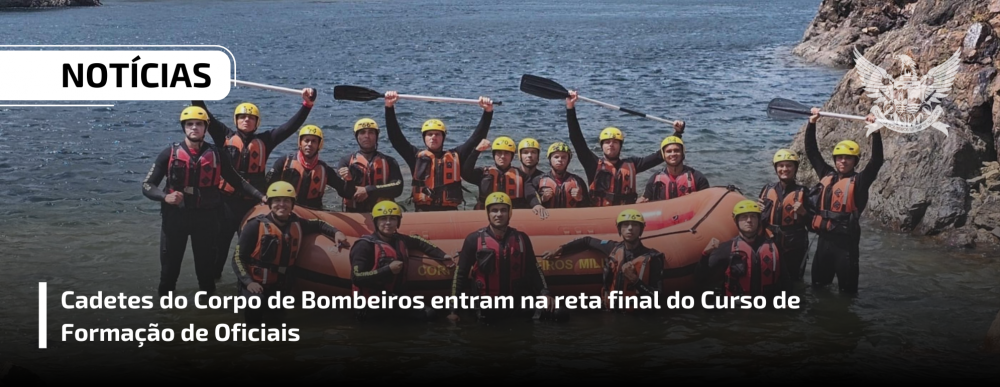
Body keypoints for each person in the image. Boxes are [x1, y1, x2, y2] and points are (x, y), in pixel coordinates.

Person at [193, 88, 316, 280]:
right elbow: (203, 112)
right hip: (225, 204)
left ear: (257, 122)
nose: (246, 120)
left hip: (253, 205)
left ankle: (250, 284)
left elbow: (289, 127)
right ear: (236, 120)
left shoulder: (266, 140)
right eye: (242, 117)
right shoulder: (223, 135)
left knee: (252, 250)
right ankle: (213, 286)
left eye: (251, 118)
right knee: (219, 249)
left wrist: (307, 105)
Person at [141, 106, 264, 297]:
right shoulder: (169, 153)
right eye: (189, 124)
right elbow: (147, 185)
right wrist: (165, 197)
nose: (194, 127)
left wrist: (262, 197)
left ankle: (208, 311)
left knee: (206, 276)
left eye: (199, 124)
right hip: (175, 218)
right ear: (184, 127)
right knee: (168, 274)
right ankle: (165, 312)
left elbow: (238, 181)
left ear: (205, 128)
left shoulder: (217, 154)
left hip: (206, 220)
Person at [232, 181, 348, 326]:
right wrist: (249, 282)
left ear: (292, 204)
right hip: (255, 284)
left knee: (278, 322)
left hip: (279, 286)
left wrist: (336, 232)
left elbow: (319, 224)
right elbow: (238, 258)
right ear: (270, 204)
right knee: (256, 306)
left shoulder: (297, 223)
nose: (282, 205)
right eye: (277, 201)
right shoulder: (254, 226)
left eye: (286, 201)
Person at [805, 108, 882, 294]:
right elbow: (812, 152)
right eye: (839, 158)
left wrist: (875, 132)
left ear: (855, 161)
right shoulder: (826, 174)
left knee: (847, 294)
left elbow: (877, 161)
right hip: (824, 241)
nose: (843, 161)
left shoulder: (860, 181)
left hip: (846, 245)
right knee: (818, 289)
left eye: (848, 158)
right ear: (835, 160)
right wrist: (811, 123)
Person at [565, 90, 685, 206]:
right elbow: (577, 140)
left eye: (615, 142)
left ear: (620, 146)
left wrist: (677, 133)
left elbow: (660, 156)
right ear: (602, 146)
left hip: (626, 215)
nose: (611, 144)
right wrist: (570, 108)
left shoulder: (633, 164)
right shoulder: (592, 164)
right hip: (600, 213)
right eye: (607, 142)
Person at [448, 193, 551, 323]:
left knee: (560, 314)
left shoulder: (522, 238)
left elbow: (534, 269)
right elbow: (460, 275)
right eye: (494, 210)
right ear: (488, 213)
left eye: (503, 210)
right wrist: (453, 311)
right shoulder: (473, 239)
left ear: (509, 213)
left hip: (517, 305)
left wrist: (545, 293)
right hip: (486, 308)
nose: (499, 214)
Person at [384, 91, 494, 211]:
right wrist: (389, 107)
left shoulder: (456, 155)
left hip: (450, 211)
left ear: (443, 137)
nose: (433, 137)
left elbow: (476, 138)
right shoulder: (414, 157)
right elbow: (396, 138)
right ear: (424, 138)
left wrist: (487, 112)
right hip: (423, 211)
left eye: (437, 134)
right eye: (429, 134)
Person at [542, 209, 664, 312]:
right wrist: (559, 250)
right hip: (611, 313)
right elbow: (586, 241)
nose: (630, 228)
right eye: (625, 225)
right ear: (619, 229)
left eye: (635, 225)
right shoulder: (612, 248)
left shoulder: (652, 257)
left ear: (641, 229)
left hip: (638, 317)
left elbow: (658, 297)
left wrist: (635, 280)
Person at [349, 200, 452, 320]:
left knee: (431, 314)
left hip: (394, 300)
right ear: (376, 222)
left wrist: (442, 256)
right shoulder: (364, 246)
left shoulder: (400, 239)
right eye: (383, 219)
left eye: (393, 219)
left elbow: (420, 242)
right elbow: (357, 277)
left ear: (398, 222)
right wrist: (388, 269)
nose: (388, 223)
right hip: (371, 306)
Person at [698, 200, 786, 298]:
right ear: (736, 220)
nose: (749, 220)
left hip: (767, 303)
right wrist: (705, 254)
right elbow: (701, 278)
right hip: (737, 304)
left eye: (753, 216)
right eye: (744, 217)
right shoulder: (726, 249)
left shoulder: (773, 247)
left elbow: (785, 278)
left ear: (759, 220)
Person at [757, 149, 812, 282]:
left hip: (794, 247)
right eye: (781, 166)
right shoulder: (767, 189)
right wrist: (757, 211)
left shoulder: (803, 192)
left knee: (793, 281)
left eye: (789, 166)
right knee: (768, 279)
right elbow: (760, 221)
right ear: (776, 168)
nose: (785, 169)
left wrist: (803, 212)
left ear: (795, 168)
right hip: (770, 242)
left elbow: (813, 225)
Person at [266, 125, 349, 210]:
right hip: (287, 210)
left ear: (319, 145)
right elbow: (267, 185)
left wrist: (349, 180)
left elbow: (346, 193)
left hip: (313, 211)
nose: (309, 144)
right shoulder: (284, 162)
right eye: (306, 140)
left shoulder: (325, 169)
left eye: (314, 141)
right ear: (300, 143)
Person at [336, 118, 405, 213]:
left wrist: (368, 190)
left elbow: (397, 187)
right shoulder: (346, 162)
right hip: (355, 213)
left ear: (377, 136)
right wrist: (349, 180)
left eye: (371, 132)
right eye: (362, 132)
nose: (367, 136)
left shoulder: (390, 161)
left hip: (382, 213)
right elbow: (342, 192)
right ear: (356, 136)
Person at [463, 136, 532, 209]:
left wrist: (536, 204)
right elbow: (465, 173)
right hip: (486, 212)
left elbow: (531, 193)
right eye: (499, 153)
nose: (502, 156)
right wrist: (476, 151)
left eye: (506, 153)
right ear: (494, 155)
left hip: (513, 212)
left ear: (512, 156)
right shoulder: (483, 173)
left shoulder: (522, 175)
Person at [527, 141, 590, 220]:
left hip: (570, 219)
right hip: (547, 219)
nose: (560, 160)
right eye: (556, 157)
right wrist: (542, 199)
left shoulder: (578, 181)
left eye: (563, 157)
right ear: (550, 159)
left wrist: (580, 198)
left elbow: (588, 205)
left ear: (568, 160)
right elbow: (529, 203)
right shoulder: (538, 180)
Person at [637, 135, 709, 203]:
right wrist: (641, 201)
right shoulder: (654, 180)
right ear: (663, 155)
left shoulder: (698, 178)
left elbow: (708, 201)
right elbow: (646, 200)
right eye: (669, 151)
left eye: (676, 150)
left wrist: (697, 198)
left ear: (682, 153)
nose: (673, 154)